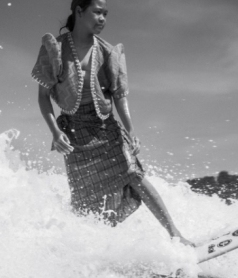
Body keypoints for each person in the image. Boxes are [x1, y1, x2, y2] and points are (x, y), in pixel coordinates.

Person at [32, 0, 193, 246]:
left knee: (134, 175)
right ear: (79, 11)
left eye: (105, 14)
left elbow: (119, 95)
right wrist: (54, 132)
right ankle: (84, 252)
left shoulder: (106, 51)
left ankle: (175, 235)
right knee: (84, 201)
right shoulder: (55, 48)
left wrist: (131, 131)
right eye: (97, 12)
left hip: (104, 127)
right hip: (74, 133)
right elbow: (44, 97)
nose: (102, 18)